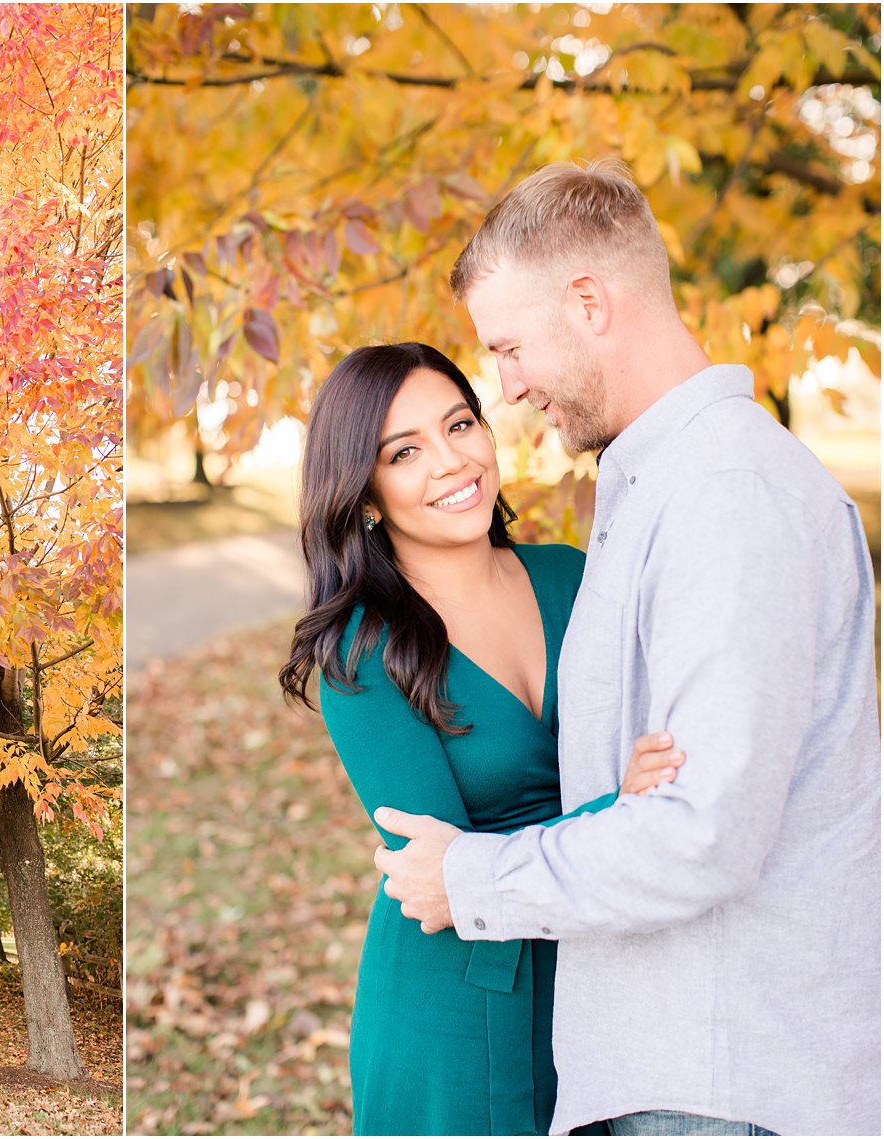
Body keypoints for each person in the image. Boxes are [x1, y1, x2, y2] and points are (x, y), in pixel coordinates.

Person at [372, 160, 880, 1137]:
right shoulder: (655, 485)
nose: (506, 389)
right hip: (670, 1067)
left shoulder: (726, 493)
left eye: (509, 348)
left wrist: (474, 877)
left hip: (722, 1083)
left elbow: (702, 830)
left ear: (589, 301)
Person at [279, 341, 682, 1135]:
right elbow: (443, 874)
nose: (451, 460)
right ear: (364, 491)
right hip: (460, 1003)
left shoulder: (574, 575)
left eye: (460, 423)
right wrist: (624, 807)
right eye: (405, 451)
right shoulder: (360, 652)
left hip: (610, 976)